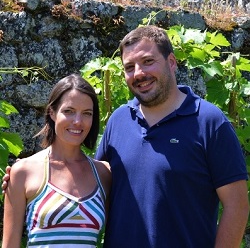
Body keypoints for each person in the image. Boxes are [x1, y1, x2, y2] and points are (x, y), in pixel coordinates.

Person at [2, 26, 249, 248]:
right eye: (129, 67)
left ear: (172, 62)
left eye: (148, 61)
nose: (138, 73)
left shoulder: (209, 122)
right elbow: (91, 183)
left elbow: (237, 207)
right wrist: (22, 180)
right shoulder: (119, 120)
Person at [2, 73, 111, 247]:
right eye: (69, 111)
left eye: (87, 113)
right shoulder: (23, 172)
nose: (78, 121)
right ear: (52, 112)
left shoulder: (104, 174)